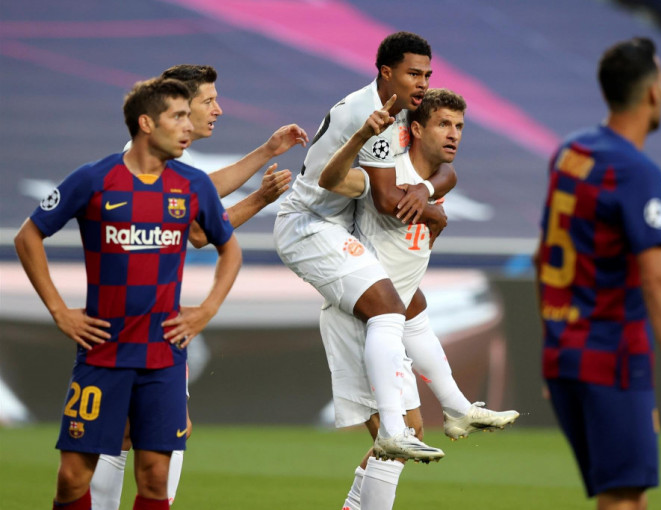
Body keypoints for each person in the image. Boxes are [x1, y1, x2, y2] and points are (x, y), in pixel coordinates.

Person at [14, 77, 242, 510]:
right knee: (71, 478)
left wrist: (207, 309)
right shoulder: (95, 179)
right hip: (103, 351)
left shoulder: (193, 184)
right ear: (146, 123)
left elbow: (229, 248)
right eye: (177, 116)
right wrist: (59, 311)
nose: (188, 126)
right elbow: (28, 236)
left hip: (163, 355)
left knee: (155, 478)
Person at [91, 64, 307, 509]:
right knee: (165, 431)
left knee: (125, 431)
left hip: (129, 313)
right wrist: (261, 196)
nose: (218, 110)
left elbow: (200, 195)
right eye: (208, 101)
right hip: (144, 318)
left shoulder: (153, 159)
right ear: (179, 107)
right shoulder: (151, 164)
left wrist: (267, 152)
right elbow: (199, 230)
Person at [320, 88, 520, 510]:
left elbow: (442, 185)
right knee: (398, 438)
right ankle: (455, 409)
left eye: (459, 126)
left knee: (409, 432)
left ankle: (455, 409)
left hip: (394, 310)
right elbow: (345, 183)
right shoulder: (384, 171)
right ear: (415, 129)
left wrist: (427, 197)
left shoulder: (439, 178)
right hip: (362, 320)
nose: (454, 134)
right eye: (443, 124)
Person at [534, 37, 661, 509]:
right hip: (612, 356)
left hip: (564, 353)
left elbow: (542, 256)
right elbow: (656, 279)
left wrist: (555, 344)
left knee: (627, 493)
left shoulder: (569, 152)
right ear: (652, 92)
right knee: (623, 497)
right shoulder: (635, 171)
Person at [274, 31, 453, 462]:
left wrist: (426, 191)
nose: (423, 82)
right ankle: (402, 423)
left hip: (346, 229)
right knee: (391, 307)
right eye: (414, 73)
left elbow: (444, 168)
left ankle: (435, 414)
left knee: (407, 307)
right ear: (386, 73)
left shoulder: (400, 112)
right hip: (311, 224)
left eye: (427, 75)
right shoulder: (372, 114)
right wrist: (431, 211)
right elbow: (388, 201)